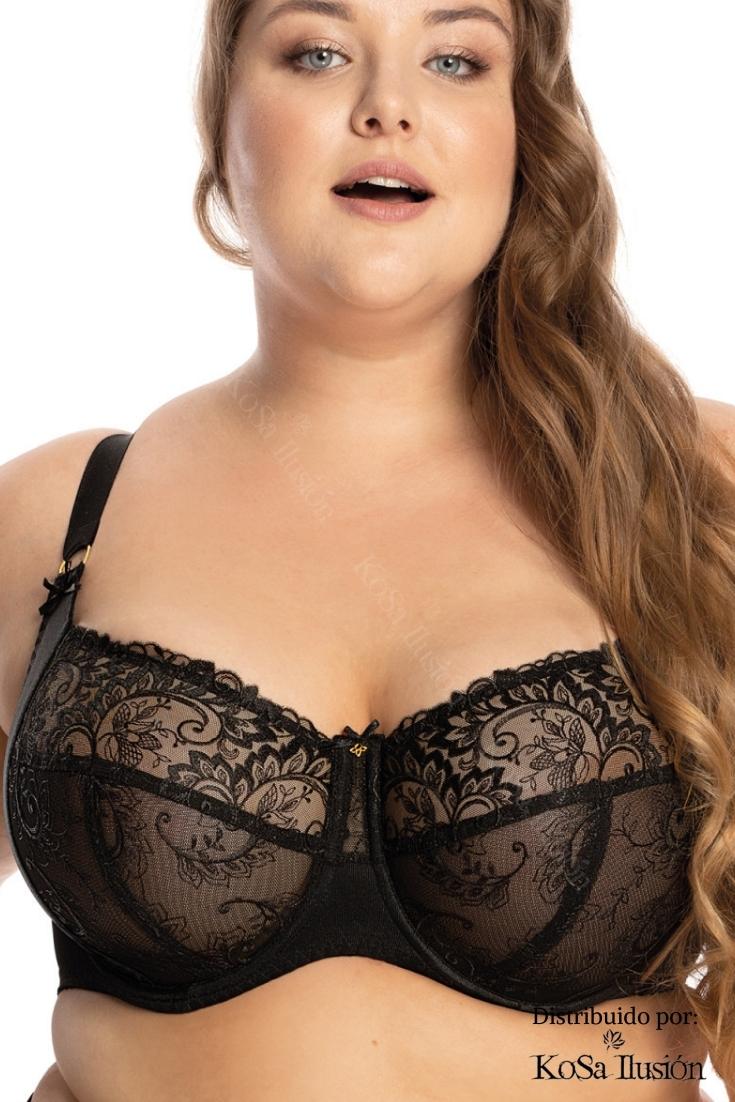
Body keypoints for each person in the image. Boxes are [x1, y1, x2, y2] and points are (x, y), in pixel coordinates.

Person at [2, 1, 735, 1100]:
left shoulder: (696, 487)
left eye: (455, 59)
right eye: (318, 52)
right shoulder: (59, 517)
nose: (387, 106)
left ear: (525, 128)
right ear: (221, 115)